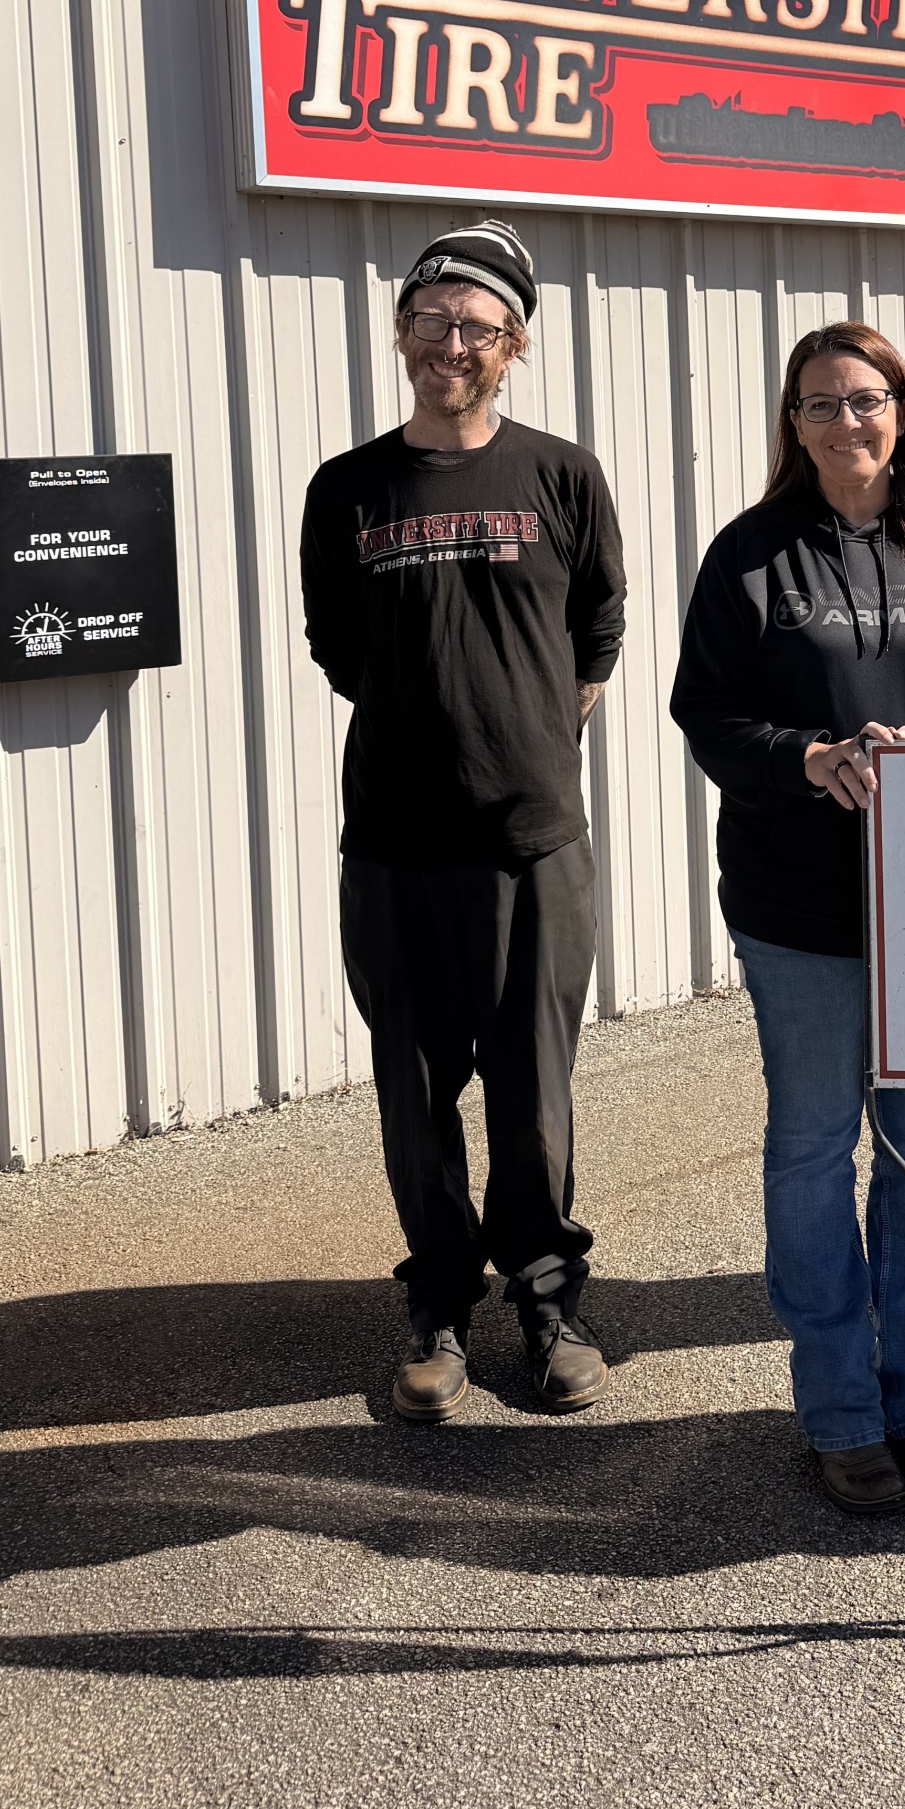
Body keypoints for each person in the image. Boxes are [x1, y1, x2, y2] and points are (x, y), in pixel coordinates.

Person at [670, 323, 905, 1516]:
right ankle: (839, 1409)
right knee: (812, 1148)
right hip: (800, 906)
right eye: (822, 403)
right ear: (793, 423)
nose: (848, 422)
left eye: (868, 398)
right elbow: (707, 712)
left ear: (903, 409)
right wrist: (811, 757)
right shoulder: (751, 554)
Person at [301, 217, 627, 1426]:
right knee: (416, 1092)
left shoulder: (561, 475)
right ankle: (438, 1310)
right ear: (401, 332)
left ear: (514, 346)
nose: (454, 342)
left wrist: (527, 735)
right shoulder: (347, 489)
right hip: (395, 845)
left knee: (533, 1094)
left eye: (480, 326)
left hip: (535, 845)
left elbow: (600, 627)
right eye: (434, 319)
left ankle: (545, 1306)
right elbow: (338, 645)